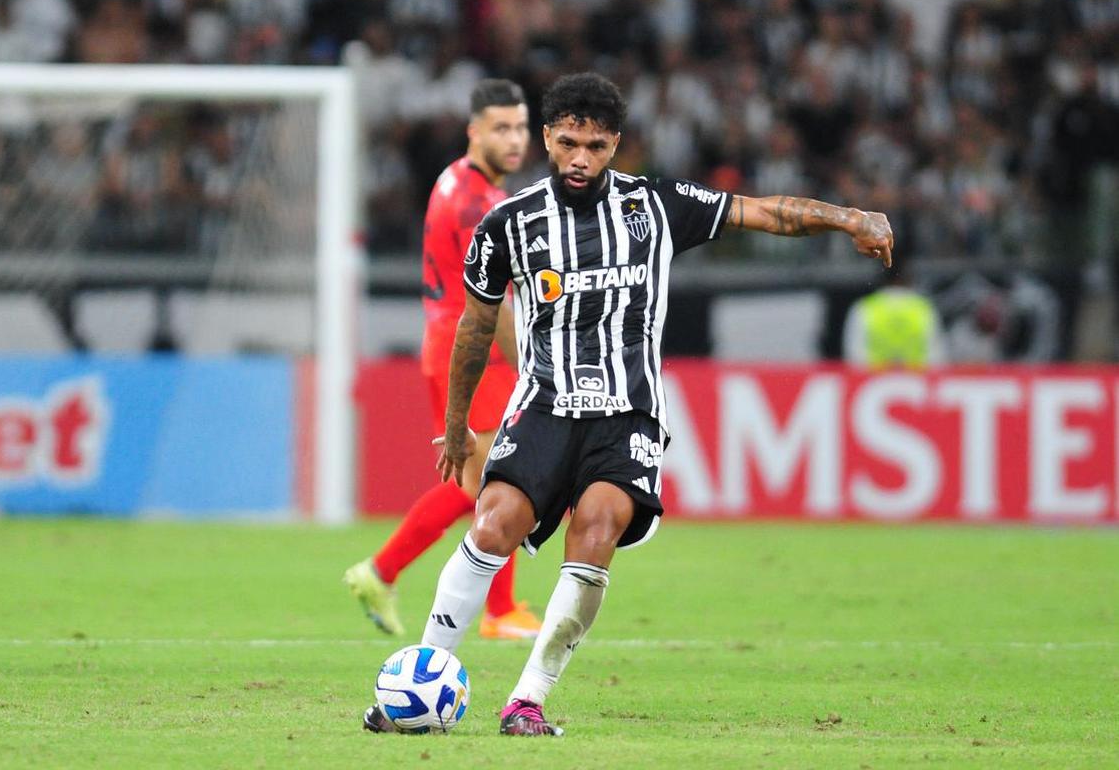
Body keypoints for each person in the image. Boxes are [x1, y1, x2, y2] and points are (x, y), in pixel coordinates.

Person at [363, 72, 893, 736]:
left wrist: (849, 218)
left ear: (615, 143)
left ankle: (526, 701)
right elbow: (473, 330)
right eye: (568, 142)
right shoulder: (508, 224)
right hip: (545, 403)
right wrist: (458, 428)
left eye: (596, 145)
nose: (580, 158)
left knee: (595, 531)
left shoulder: (656, 205)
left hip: (627, 413)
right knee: (493, 523)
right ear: (548, 140)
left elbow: (762, 211)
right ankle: (423, 675)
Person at [344, 79, 542, 641]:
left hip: (445, 343)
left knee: (479, 482)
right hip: (473, 352)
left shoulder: (451, 180)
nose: (513, 139)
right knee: (497, 479)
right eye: (500, 127)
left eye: (520, 127)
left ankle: (394, 576)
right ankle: (487, 607)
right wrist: (532, 369)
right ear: (474, 130)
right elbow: (495, 301)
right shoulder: (482, 203)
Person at [843, 267, 947, 369]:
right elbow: (937, 354)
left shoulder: (864, 307)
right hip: (918, 378)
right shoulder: (923, 308)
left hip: (872, 379)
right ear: (909, 279)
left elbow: (853, 353)